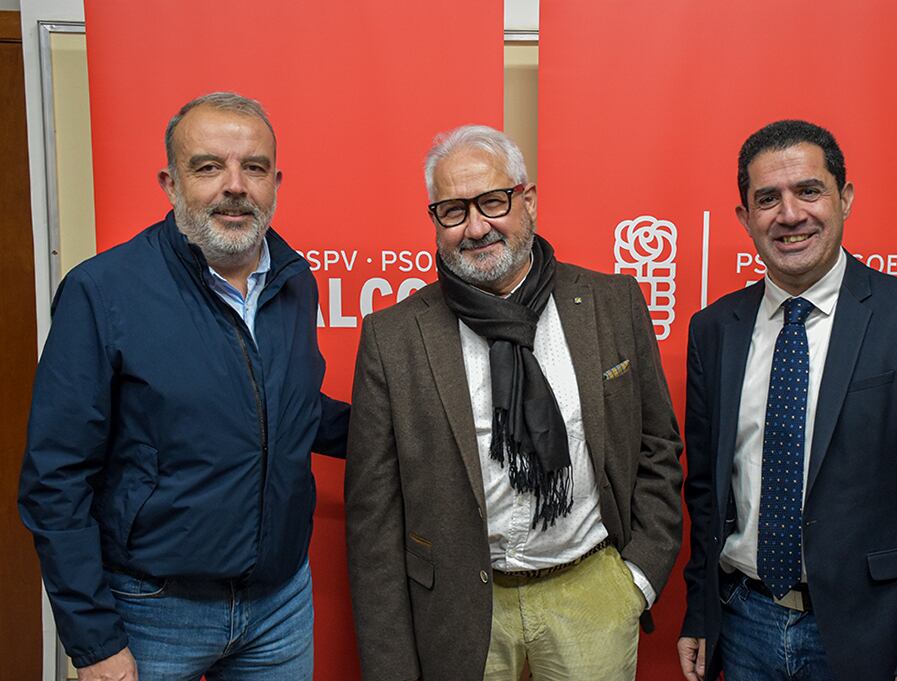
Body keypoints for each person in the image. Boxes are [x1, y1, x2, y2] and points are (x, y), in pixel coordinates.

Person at [19, 92, 349, 681]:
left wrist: (409, 426)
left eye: (254, 167)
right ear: (170, 183)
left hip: (279, 607)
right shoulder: (102, 292)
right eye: (208, 167)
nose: (235, 186)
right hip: (152, 614)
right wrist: (94, 643)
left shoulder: (294, 280)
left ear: (275, 183)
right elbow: (55, 478)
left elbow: (289, 408)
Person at [345, 124, 683, 681]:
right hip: (459, 611)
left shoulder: (612, 302)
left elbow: (657, 446)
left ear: (528, 200)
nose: (476, 227)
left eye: (493, 202)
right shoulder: (394, 337)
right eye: (453, 211)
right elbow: (374, 520)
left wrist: (638, 579)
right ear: (435, 220)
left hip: (592, 595)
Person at [677, 119, 897, 681]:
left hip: (871, 635)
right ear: (745, 218)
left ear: (845, 198)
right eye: (768, 199)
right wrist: (699, 610)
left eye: (809, 191)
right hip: (744, 622)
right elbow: (705, 492)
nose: (790, 214)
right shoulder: (715, 329)